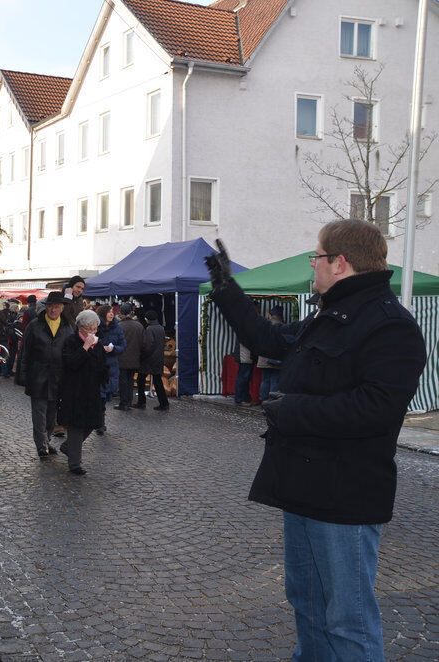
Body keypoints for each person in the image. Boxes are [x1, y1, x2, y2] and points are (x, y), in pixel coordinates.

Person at [206, 219, 426, 660]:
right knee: (306, 603)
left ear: (339, 263)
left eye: (317, 256)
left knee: (348, 619)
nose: (313, 264)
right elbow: (268, 338)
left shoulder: (390, 326)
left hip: (345, 497)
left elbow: (376, 408)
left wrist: (292, 411)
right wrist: (229, 290)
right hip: (303, 486)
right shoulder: (328, 315)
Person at [20, 291, 74, 458]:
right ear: (46, 307)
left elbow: (70, 353)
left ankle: (47, 439)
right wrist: (23, 375)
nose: (53, 309)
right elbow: (25, 352)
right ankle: (41, 445)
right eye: (50, 306)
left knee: (52, 415)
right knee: (39, 413)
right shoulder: (34, 325)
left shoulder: (67, 327)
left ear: (62, 308)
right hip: (38, 376)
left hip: (58, 377)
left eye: (56, 306)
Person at [58, 310, 110, 474]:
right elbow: (71, 363)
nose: (93, 332)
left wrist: (104, 376)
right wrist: (85, 347)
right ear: (80, 327)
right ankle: (75, 463)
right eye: (89, 329)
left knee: (92, 423)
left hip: (92, 390)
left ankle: (69, 447)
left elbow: (102, 364)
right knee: (76, 425)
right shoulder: (71, 342)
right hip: (75, 391)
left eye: (95, 329)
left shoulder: (98, 343)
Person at [95, 305, 126, 434]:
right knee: (99, 396)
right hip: (98, 365)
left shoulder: (117, 327)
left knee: (105, 396)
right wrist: (100, 349)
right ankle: (99, 423)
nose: (112, 314)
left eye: (112, 311)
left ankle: (100, 421)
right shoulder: (95, 326)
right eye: (109, 312)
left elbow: (123, 345)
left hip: (111, 365)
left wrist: (113, 349)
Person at [134, 310, 169, 411]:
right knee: (158, 381)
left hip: (149, 359)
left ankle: (141, 402)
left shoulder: (149, 329)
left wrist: (142, 356)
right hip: (158, 358)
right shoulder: (161, 328)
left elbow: (148, 346)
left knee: (140, 379)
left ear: (147, 318)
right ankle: (164, 403)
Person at [115, 303, 142, 411]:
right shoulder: (139, 326)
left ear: (121, 313)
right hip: (135, 358)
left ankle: (124, 403)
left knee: (123, 381)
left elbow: (115, 342)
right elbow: (143, 343)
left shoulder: (119, 326)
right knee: (130, 381)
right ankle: (129, 401)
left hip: (121, 358)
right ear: (131, 312)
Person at [256, 305, 284, 402]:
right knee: (274, 380)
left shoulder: (264, 326)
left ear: (270, 315)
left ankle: (263, 399)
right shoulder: (282, 327)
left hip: (263, 358)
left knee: (265, 379)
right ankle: (271, 400)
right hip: (276, 359)